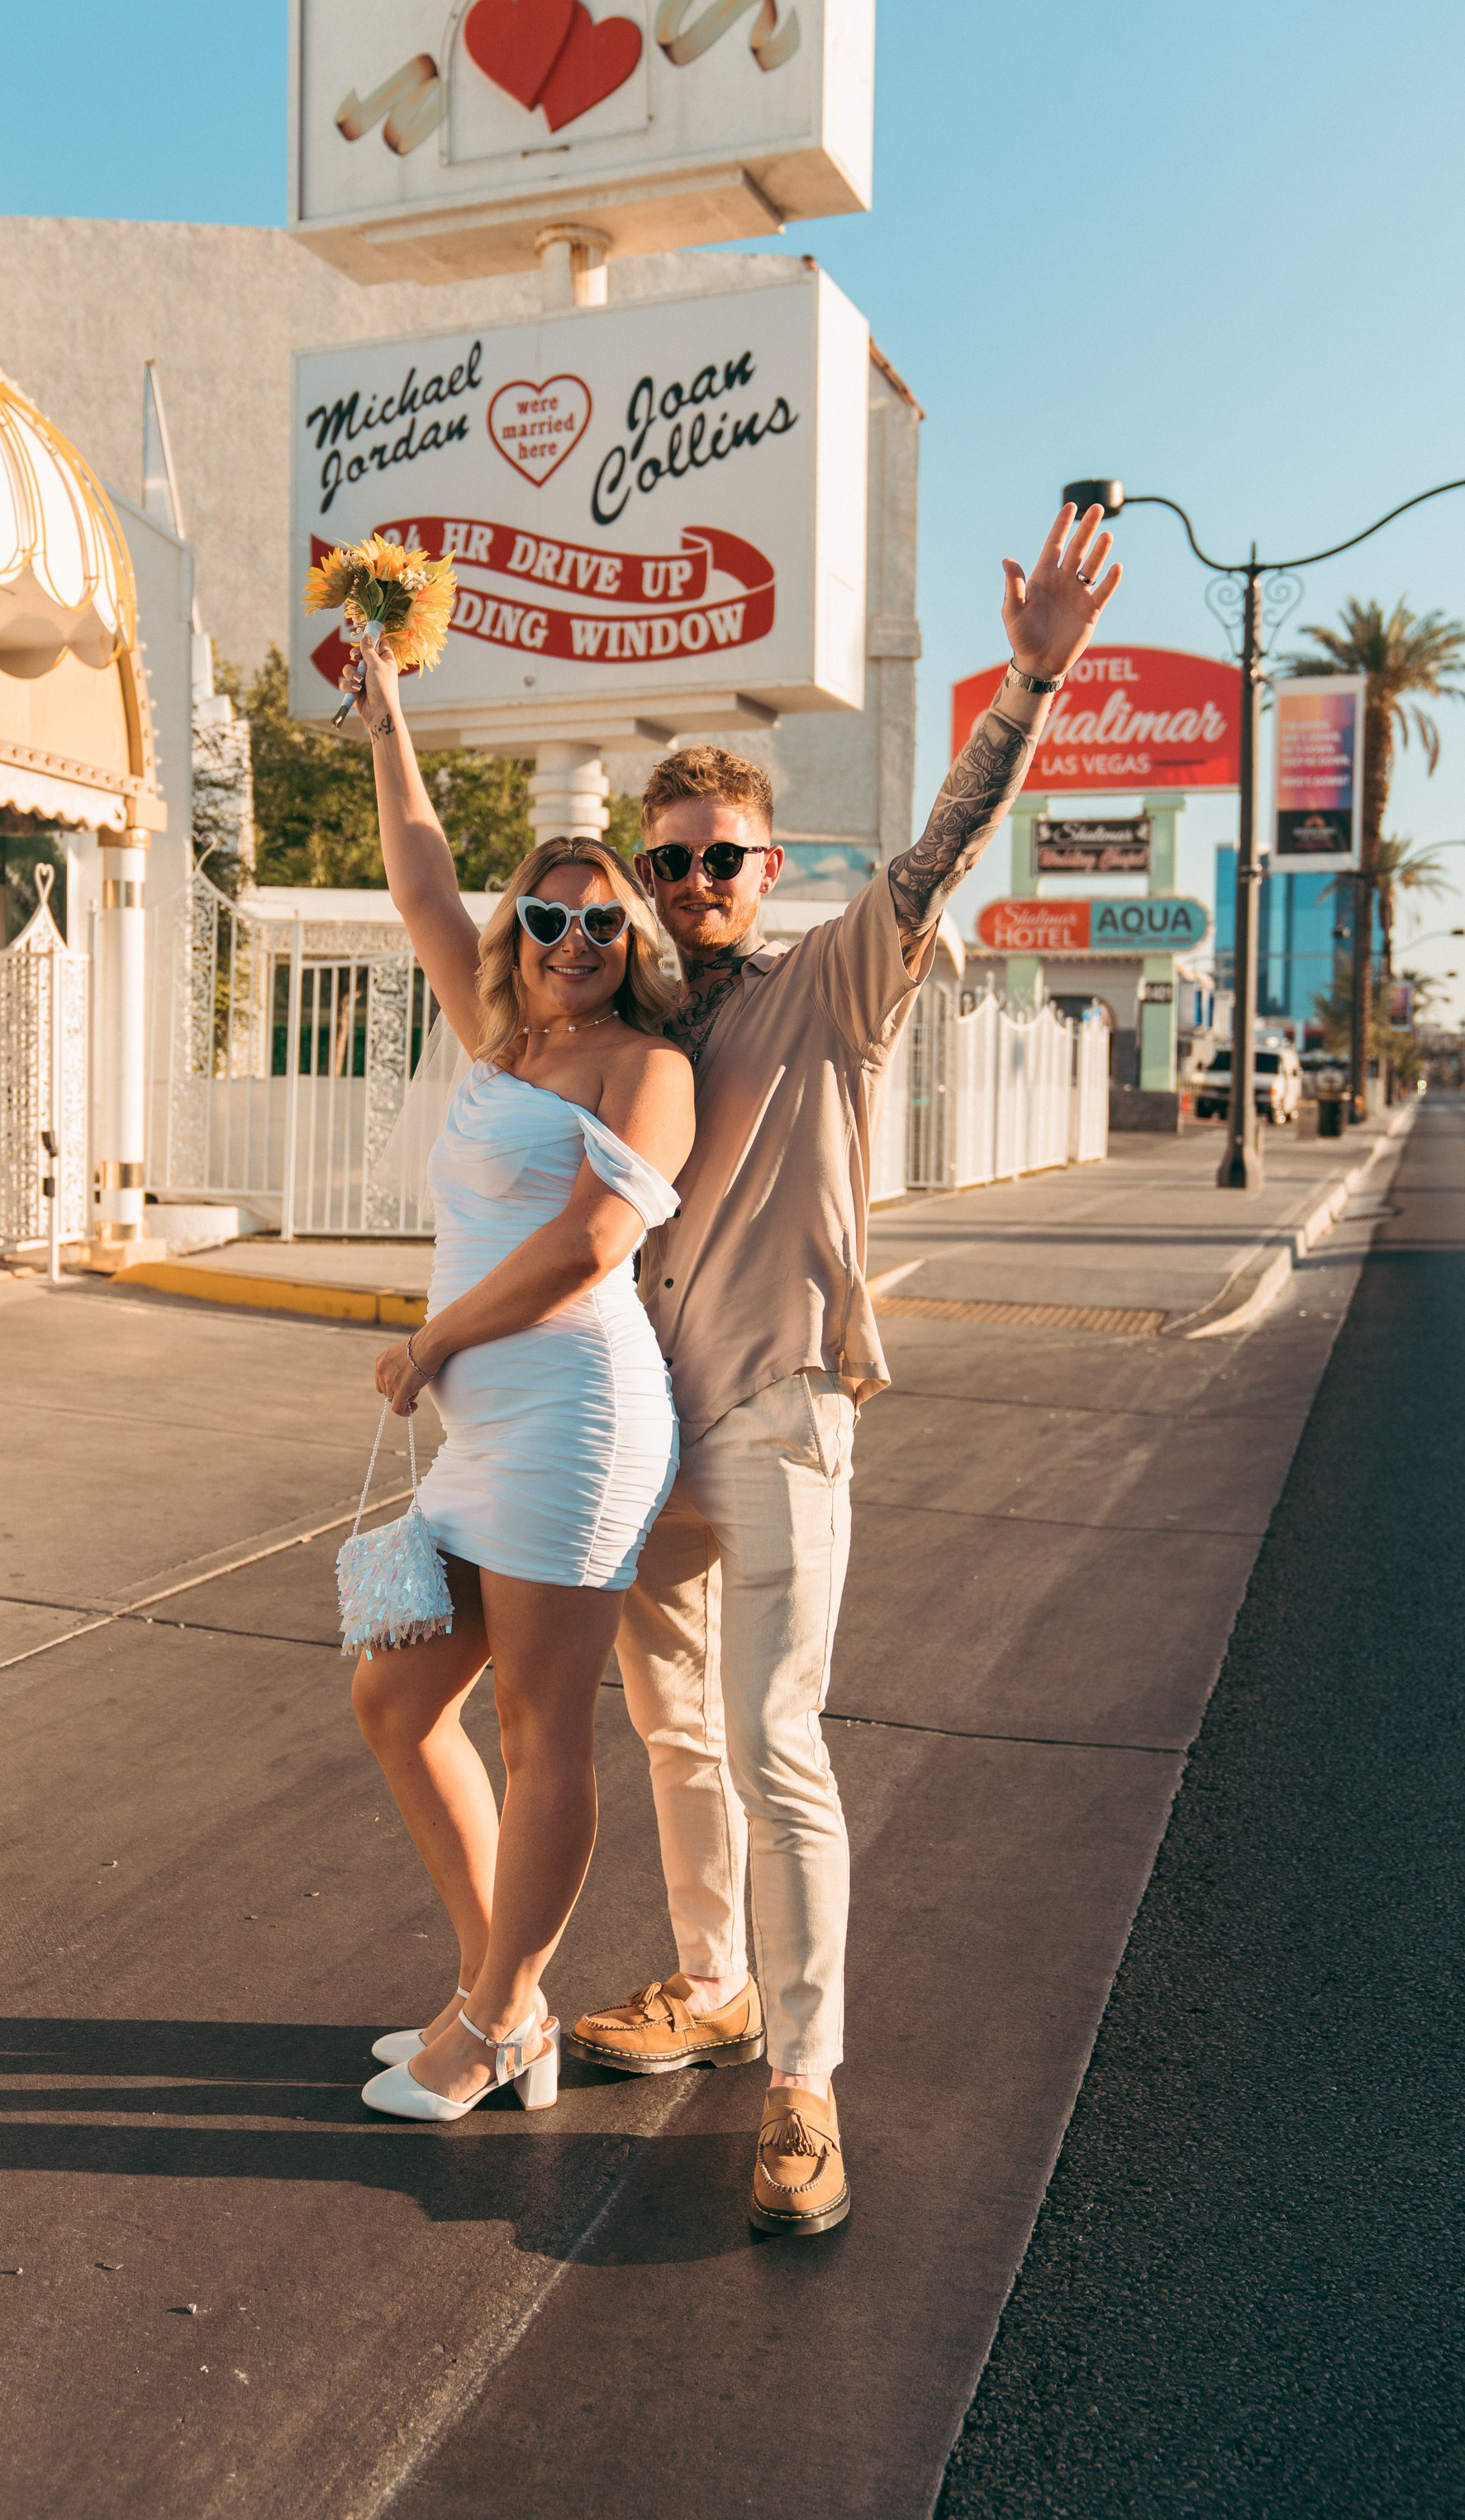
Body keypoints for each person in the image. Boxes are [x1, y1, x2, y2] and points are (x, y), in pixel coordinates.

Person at [568, 501, 1124, 2234]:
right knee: (669, 1727)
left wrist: (1029, 683)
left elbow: (944, 848)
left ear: (767, 863)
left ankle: (802, 2088)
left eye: (719, 856)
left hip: (780, 1407)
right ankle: (710, 1980)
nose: (693, 885)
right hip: (644, 1431)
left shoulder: (833, 979)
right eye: (669, 864)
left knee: (772, 1733)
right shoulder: (640, 1027)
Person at [337, 630, 696, 2125]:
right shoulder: (499, 1037)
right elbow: (423, 869)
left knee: (542, 1727)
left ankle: (493, 2024)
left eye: (599, 926)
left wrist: (432, 1342)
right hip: (493, 1422)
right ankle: (513, 1997)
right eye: (546, 918)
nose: (569, 941)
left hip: (572, 1414)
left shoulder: (642, 1069)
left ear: (634, 950)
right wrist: (387, 715)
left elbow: (595, 1241)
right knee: (395, 1700)